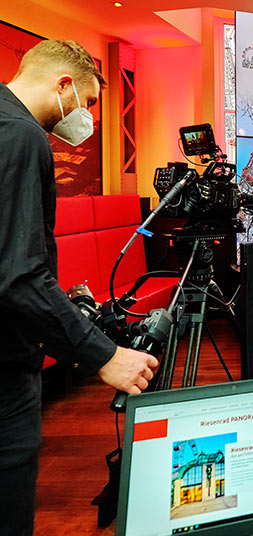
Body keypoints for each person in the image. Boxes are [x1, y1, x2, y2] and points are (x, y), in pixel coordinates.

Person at [0, 40, 159, 536]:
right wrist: (104, 354)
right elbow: (20, 274)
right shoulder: (21, 135)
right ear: (64, 85)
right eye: (89, 102)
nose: (87, 116)